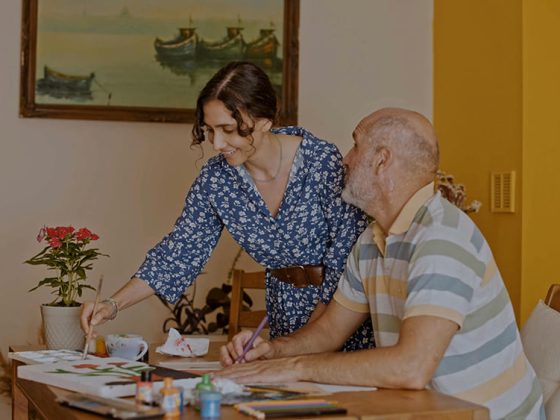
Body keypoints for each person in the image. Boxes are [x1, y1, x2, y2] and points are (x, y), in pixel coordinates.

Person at [219, 107, 544, 420]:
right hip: (427, 411)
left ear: (381, 160)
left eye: (356, 145)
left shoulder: (441, 238)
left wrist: (295, 367)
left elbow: (410, 367)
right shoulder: (373, 240)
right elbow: (330, 331)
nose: (345, 159)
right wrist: (271, 352)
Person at [81, 61, 373, 351]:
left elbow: (347, 257)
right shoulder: (217, 179)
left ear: (264, 121)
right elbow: (180, 251)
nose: (217, 143)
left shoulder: (323, 162)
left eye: (228, 129)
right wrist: (111, 305)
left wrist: (307, 341)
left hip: (340, 315)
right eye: (209, 130)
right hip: (284, 322)